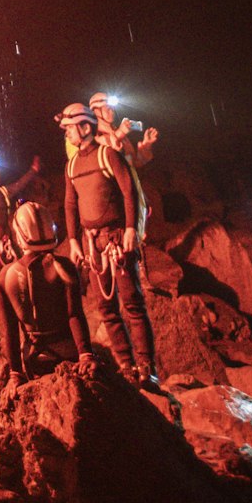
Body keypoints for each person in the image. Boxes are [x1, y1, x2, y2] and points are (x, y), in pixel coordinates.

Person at [57, 102, 159, 389]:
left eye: (69, 128)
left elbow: (129, 192)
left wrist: (130, 230)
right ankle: (126, 366)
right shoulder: (72, 165)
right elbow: (69, 204)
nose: (66, 134)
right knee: (106, 307)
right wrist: (74, 242)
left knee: (132, 303)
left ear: (85, 128)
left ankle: (146, 367)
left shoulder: (108, 155)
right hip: (93, 244)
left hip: (116, 238)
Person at [0, 201, 96, 389]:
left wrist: (15, 374)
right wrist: (86, 355)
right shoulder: (64, 267)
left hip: (35, 361)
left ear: (19, 236)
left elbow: (11, 332)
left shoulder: (5, 277)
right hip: (69, 356)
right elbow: (74, 314)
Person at [88, 91, 158, 168]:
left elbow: (133, 163)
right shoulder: (93, 135)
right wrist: (121, 132)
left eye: (113, 109)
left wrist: (146, 145)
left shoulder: (122, 136)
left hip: (129, 179)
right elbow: (104, 145)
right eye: (108, 109)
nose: (112, 112)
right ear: (96, 112)